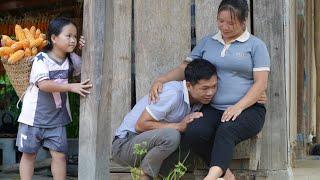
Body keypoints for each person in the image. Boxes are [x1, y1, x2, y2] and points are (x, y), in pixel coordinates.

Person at [149, 0, 270, 179]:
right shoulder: (208, 42)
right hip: (213, 108)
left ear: (244, 22)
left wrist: (239, 106)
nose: (225, 26)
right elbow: (185, 68)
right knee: (194, 131)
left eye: (231, 22)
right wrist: (161, 79)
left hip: (249, 109)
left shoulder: (256, 45)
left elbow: (261, 84)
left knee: (227, 130)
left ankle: (210, 177)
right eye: (221, 21)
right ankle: (226, 174)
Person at [112, 59, 217, 179]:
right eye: (205, 88)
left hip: (150, 145)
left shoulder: (199, 100)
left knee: (194, 138)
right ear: (188, 85)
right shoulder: (173, 94)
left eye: (214, 86)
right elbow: (140, 125)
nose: (210, 92)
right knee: (171, 136)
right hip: (125, 144)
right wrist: (179, 126)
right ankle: (144, 177)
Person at [16, 17, 92, 180]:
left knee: (59, 156)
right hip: (33, 118)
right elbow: (43, 85)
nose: (73, 40)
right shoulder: (41, 59)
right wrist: (71, 87)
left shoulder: (73, 60)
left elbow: (87, 68)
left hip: (57, 119)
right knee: (29, 155)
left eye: (75, 36)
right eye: (68, 36)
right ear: (54, 38)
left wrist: (85, 48)